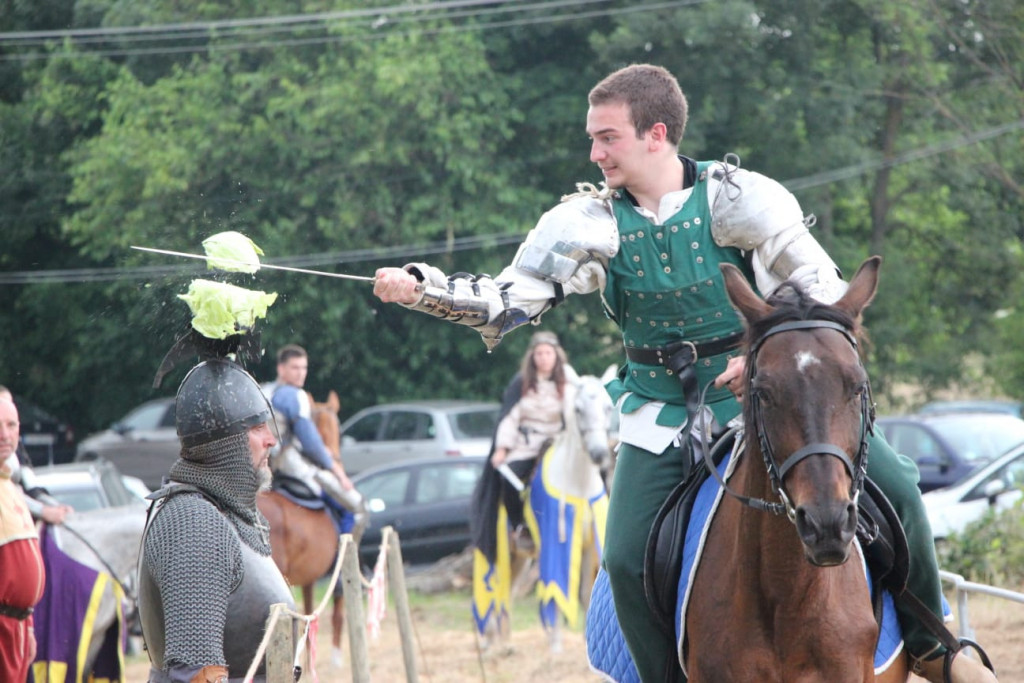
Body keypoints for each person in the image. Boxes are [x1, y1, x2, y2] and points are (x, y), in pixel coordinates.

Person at [372, 64, 994, 682]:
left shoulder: (740, 199)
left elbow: (821, 294)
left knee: (901, 487)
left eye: (607, 137)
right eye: (593, 138)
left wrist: (758, 357)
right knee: (620, 560)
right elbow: (511, 297)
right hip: (657, 414)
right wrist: (422, 288)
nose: (595, 153)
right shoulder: (588, 225)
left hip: (769, 401)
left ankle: (935, 648)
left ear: (656, 133)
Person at [137, 358, 295, 683]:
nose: (271, 440)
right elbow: (196, 672)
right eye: (256, 428)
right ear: (224, 443)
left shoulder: (227, 513)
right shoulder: (193, 523)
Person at [261, 344, 368, 539]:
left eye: (304, 368)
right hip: (288, 464)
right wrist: (338, 473)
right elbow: (311, 443)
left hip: (258, 467)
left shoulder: (263, 390)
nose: (301, 373)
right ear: (281, 369)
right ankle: (345, 564)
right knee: (357, 505)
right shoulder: (296, 395)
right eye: (295, 368)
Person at [0, 397, 46, 682]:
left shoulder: (10, 487)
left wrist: (26, 625)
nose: (5, 434)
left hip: (16, 629)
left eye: (11, 425)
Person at [0, 385, 72, 525]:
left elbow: (32, 488)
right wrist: (43, 511)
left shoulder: (15, 447)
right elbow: (6, 494)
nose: (5, 434)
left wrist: (54, 505)